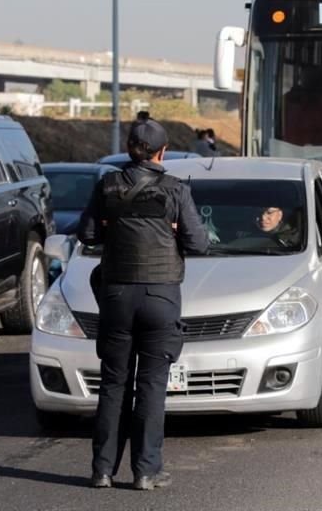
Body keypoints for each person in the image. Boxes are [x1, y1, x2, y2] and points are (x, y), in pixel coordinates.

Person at [78, 119, 210, 491]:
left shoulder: (107, 186)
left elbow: (87, 234)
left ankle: (102, 470)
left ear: (129, 148)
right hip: (160, 297)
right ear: (162, 152)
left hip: (117, 296)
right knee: (152, 386)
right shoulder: (175, 190)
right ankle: (146, 472)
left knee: (113, 383)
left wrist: (113, 225)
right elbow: (199, 244)